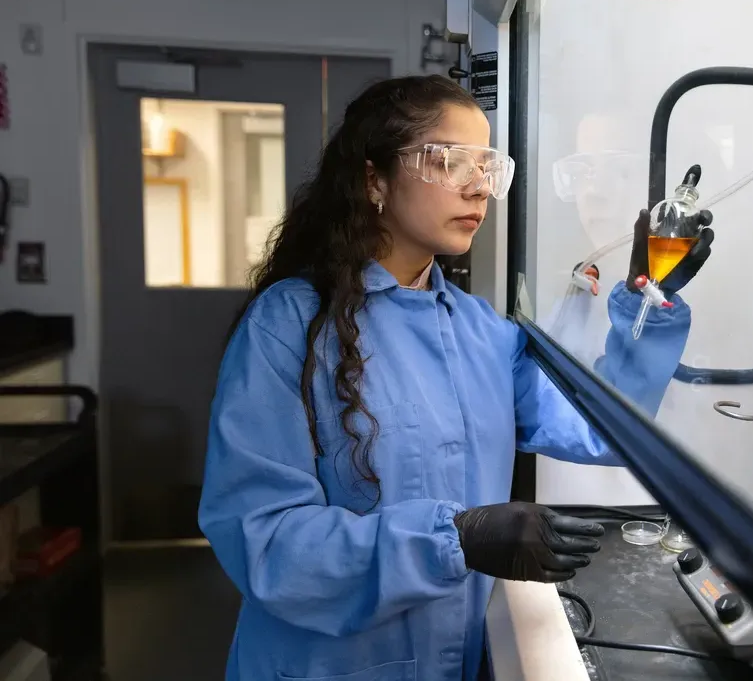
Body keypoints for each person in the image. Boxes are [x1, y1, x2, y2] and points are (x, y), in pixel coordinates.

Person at [198, 76, 713, 681]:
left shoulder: (479, 331)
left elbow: (596, 428)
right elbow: (267, 545)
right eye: (447, 160)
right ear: (374, 181)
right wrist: (456, 539)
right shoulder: (289, 326)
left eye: (488, 166)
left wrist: (646, 306)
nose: (479, 187)